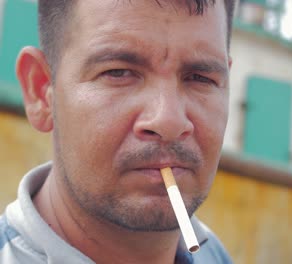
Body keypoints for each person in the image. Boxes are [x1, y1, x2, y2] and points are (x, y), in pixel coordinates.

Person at [0, 0, 235, 263]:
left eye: (201, 78)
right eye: (118, 72)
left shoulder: (213, 254)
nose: (168, 122)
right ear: (41, 91)